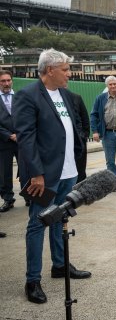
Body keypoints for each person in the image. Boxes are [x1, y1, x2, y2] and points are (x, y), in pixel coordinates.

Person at [13, 49, 91, 304]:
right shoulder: (28, 96)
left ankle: (60, 266)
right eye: (66, 69)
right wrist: (36, 174)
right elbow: (26, 137)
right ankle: (32, 280)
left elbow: (74, 128)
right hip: (44, 177)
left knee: (60, 221)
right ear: (50, 70)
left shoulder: (67, 95)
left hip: (69, 172)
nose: (70, 73)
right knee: (37, 225)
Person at [0, 70, 19, 212]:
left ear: (12, 81)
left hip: (22, 140)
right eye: (2, 81)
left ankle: (29, 197)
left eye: (8, 80)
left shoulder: (20, 97)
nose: (6, 83)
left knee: (26, 170)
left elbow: (28, 117)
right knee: (4, 173)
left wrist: (20, 134)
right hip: (3, 142)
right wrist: (9, 135)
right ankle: (8, 199)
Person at [70, 92, 90, 183]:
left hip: (78, 139)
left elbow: (84, 117)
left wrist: (84, 135)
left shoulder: (76, 98)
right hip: (62, 141)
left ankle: (80, 188)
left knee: (80, 167)